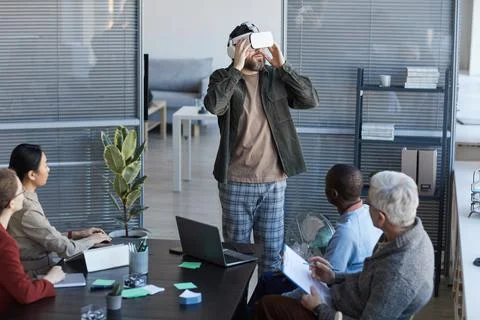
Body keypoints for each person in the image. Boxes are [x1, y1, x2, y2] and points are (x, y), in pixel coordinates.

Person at [204, 21, 320, 273]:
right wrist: (236, 68)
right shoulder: (222, 77)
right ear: (234, 50)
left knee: (271, 259)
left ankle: (265, 309)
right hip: (235, 182)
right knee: (236, 258)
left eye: (260, 45)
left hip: (274, 182)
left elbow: (310, 100)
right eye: (250, 46)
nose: (258, 51)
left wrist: (282, 64)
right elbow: (214, 106)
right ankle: (239, 310)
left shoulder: (276, 77)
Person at [253, 171, 434, 320]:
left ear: (381, 218)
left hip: (337, 311)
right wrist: (334, 277)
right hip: (341, 297)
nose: (363, 205)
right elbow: (369, 277)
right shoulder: (411, 233)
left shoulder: (398, 276)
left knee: (267, 305)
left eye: (368, 203)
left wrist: (319, 308)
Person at [249, 164, 381, 305]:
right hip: (350, 286)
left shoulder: (346, 233)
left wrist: (284, 298)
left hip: (336, 298)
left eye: (325, 185)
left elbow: (324, 286)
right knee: (271, 277)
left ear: (333, 193)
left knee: (266, 287)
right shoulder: (367, 212)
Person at [7, 144, 111, 275]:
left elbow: (42, 237)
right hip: (37, 275)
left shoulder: (20, 196)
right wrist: (93, 240)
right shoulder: (27, 208)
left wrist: (79, 234)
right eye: (45, 165)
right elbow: (66, 249)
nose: (49, 169)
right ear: (32, 174)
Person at [0, 168, 65, 315]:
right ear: (11, 203)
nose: (25, 195)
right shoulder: (5, 244)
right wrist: (50, 279)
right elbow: (25, 294)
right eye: (21, 192)